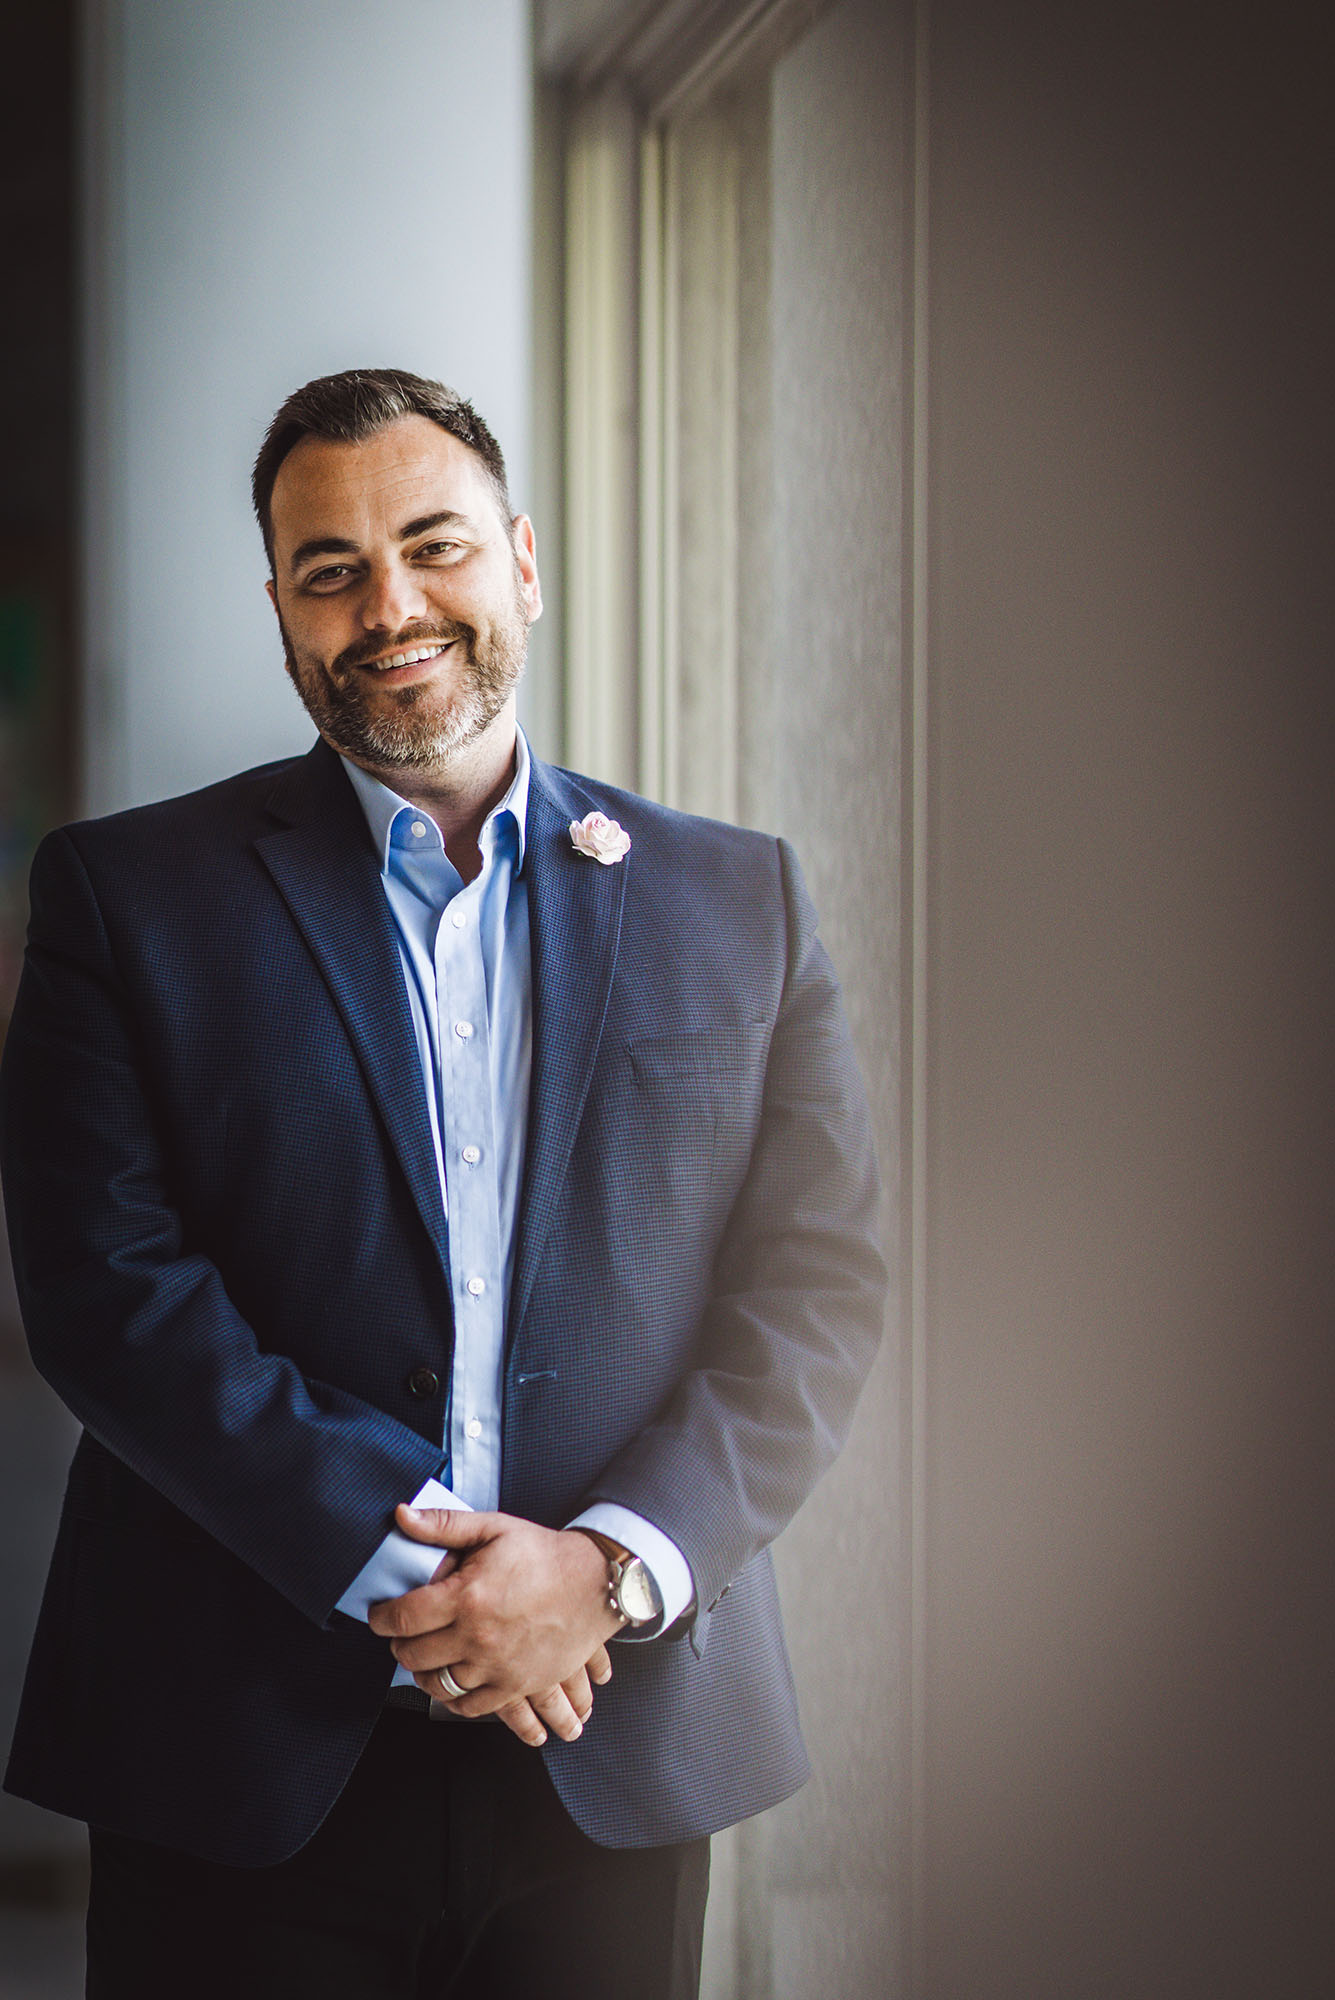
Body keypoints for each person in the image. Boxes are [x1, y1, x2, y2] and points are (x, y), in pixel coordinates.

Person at [0, 368, 885, 1998]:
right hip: (233, 1748)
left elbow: (817, 1294)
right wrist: (437, 1585)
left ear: (525, 561)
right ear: (280, 610)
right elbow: (102, 1290)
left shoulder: (737, 899)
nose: (389, 607)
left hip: (614, 1741)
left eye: (435, 545)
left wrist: (600, 1576)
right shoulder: (127, 899)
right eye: (330, 570)